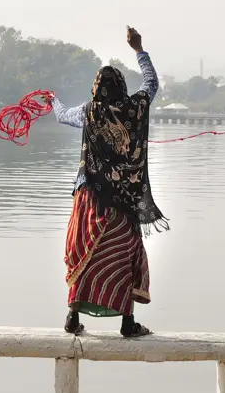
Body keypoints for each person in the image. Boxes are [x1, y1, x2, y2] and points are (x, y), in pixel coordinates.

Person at [45, 26, 169, 337]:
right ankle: (128, 323)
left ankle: (72, 318)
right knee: (125, 255)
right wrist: (139, 49)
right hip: (124, 202)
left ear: (95, 89)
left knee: (83, 251)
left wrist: (54, 101)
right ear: (122, 88)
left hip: (89, 199)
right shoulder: (135, 107)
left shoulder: (88, 112)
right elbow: (152, 83)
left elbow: (61, 116)